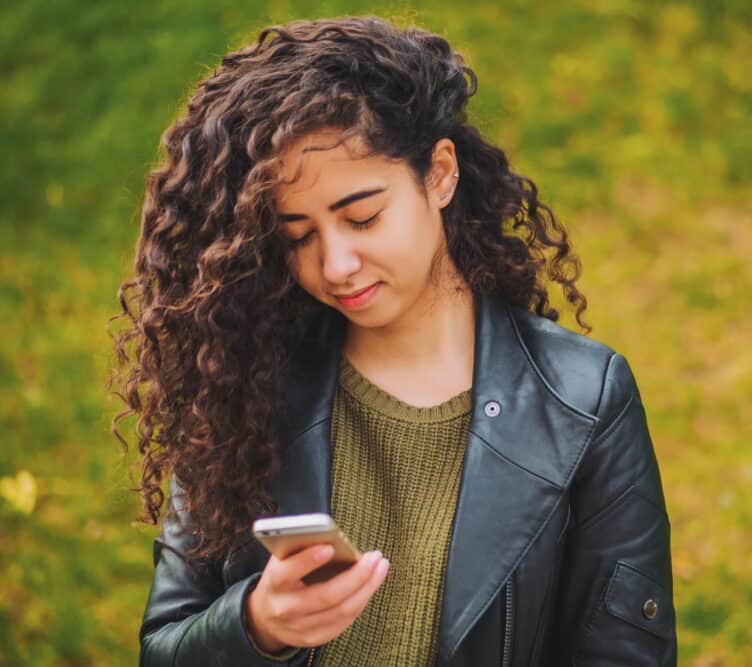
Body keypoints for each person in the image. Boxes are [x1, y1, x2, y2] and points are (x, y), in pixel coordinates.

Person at [111, 15, 676, 667]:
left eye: (362, 216)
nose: (336, 263)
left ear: (439, 174)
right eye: (299, 234)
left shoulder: (584, 401)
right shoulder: (243, 377)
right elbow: (164, 645)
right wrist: (256, 624)